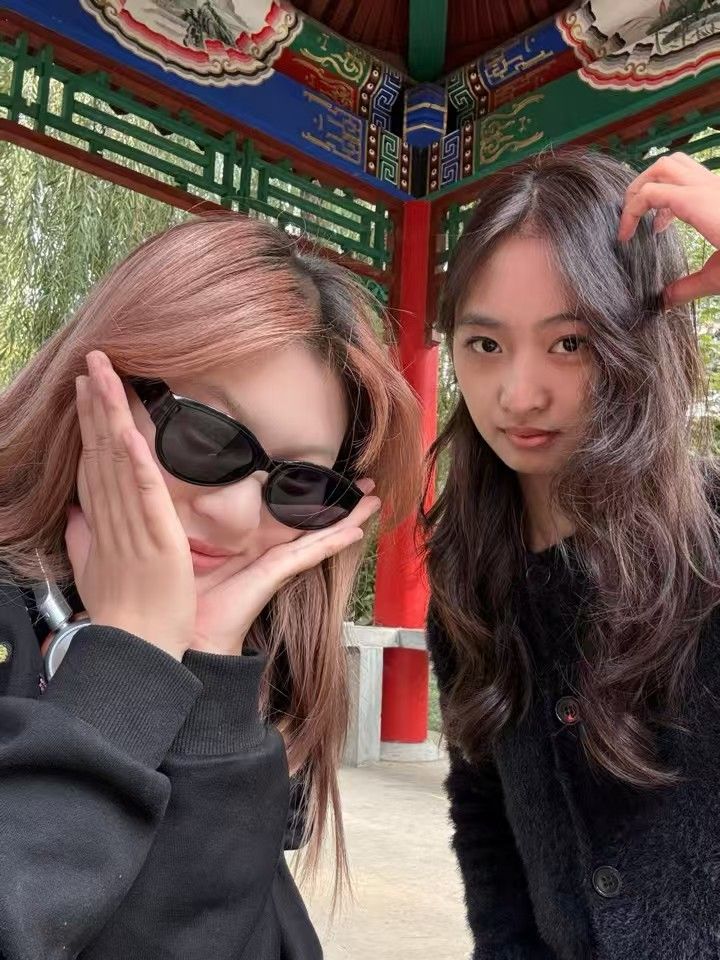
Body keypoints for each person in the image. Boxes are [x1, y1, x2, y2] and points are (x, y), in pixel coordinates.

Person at [0, 213, 423, 960]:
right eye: (205, 437)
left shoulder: (257, 647)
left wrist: (205, 671)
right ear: (96, 382)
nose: (236, 517)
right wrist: (126, 660)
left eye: (299, 485)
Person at [422, 149, 720, 960]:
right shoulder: (469, 583)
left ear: (639, 341)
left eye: (571, 343)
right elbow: (486, 821)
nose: (520, 395)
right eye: (485, 345)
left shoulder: (710, 535)